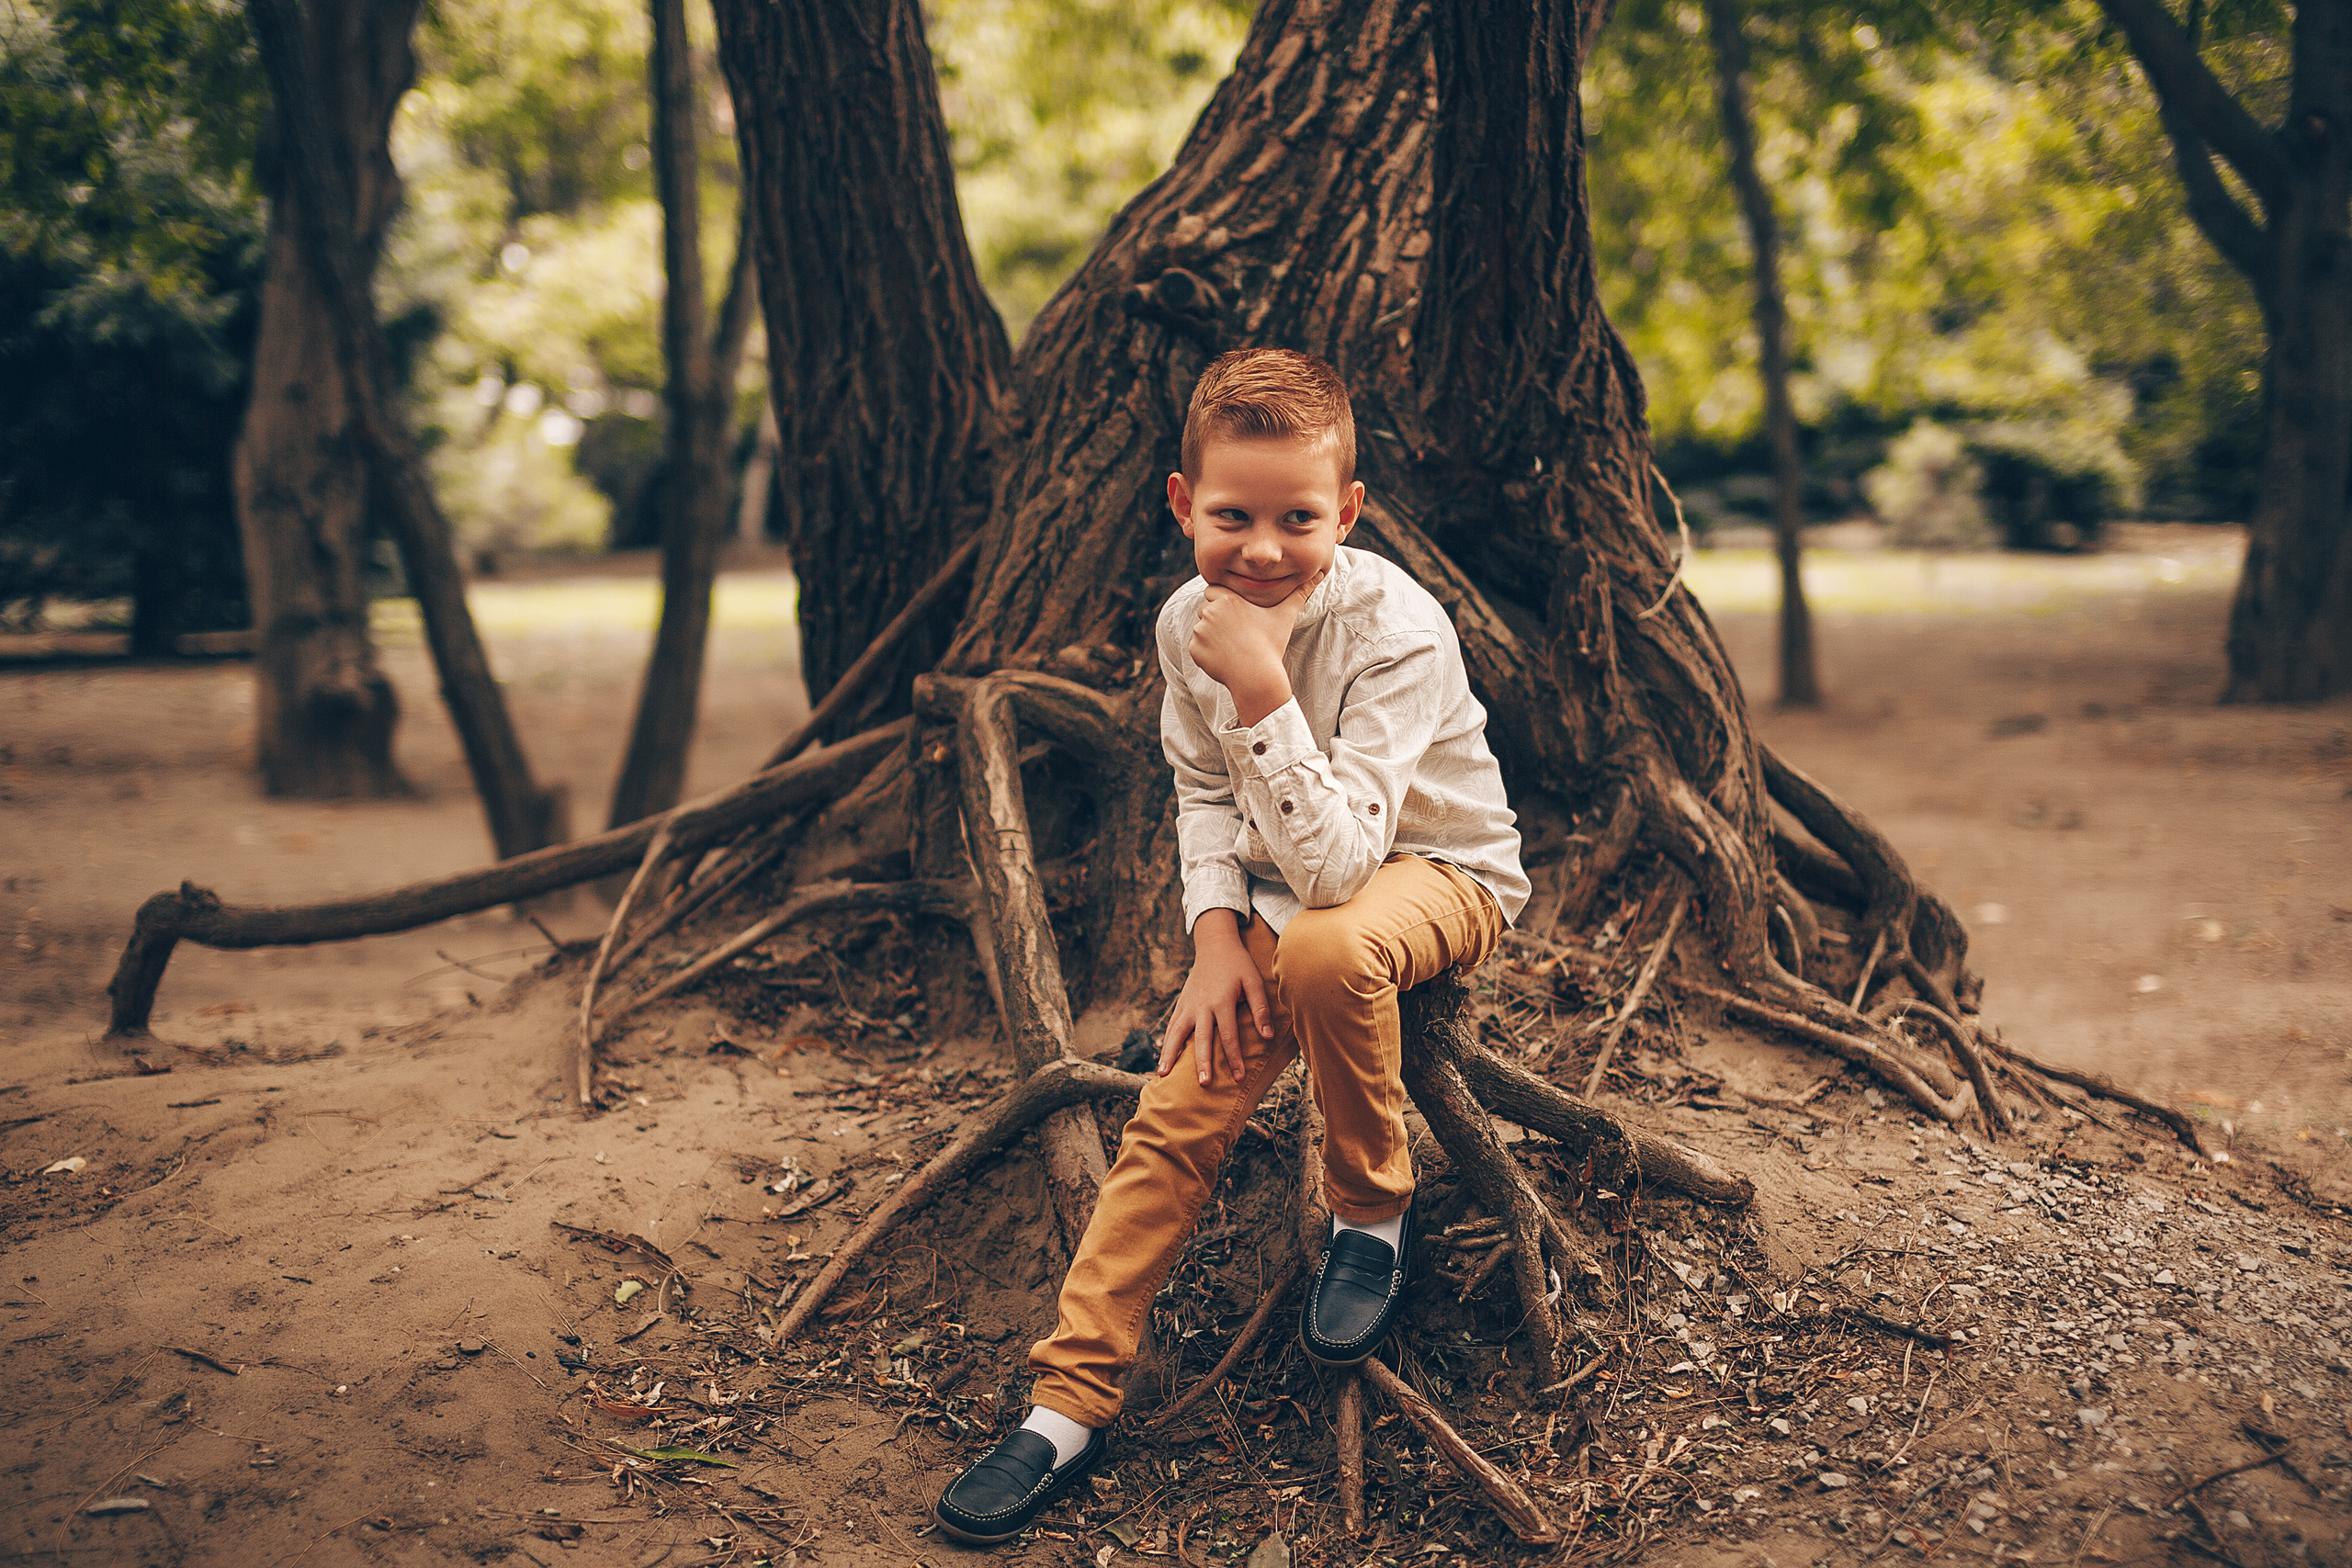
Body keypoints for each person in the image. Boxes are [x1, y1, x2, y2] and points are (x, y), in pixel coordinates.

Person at [933, 348, 1529, 1547]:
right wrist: (1211, 942)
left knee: (1320, 952)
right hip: (1277, 898)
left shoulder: (1396, 631)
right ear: (1181, 505)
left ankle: (1371, 1212)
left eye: (1297, 519)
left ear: (1346, 514)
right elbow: (1205, 799)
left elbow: (1344, 870)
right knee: (1175, 1113)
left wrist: (1265, 689)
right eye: (1231, 517)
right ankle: (1068, 1403)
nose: (1261, 550)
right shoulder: (1180, 625)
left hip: (1439, 878)